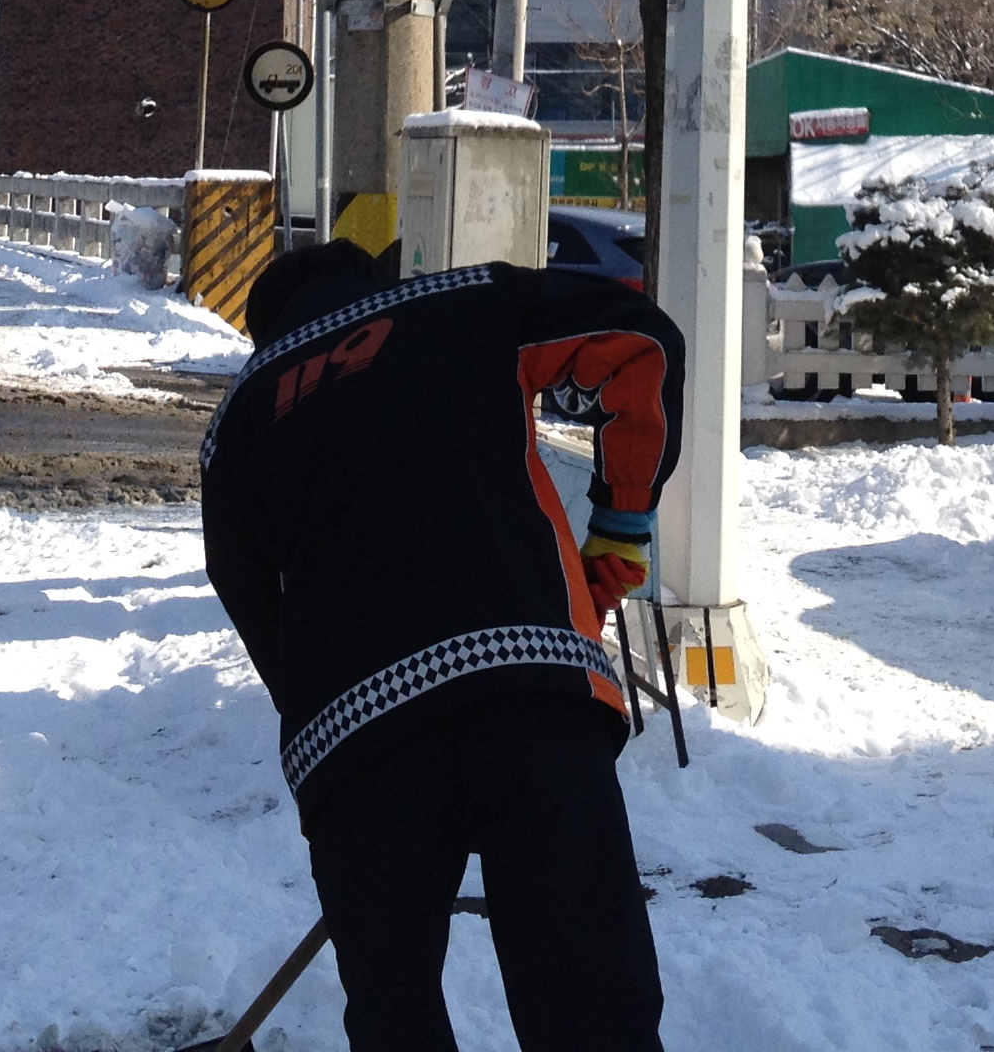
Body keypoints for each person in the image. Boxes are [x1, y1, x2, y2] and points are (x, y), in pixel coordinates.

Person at [201, 239, 685, 1052]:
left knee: (396, 1019)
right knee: (594, 1009)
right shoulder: (467, 301)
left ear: (266, 331)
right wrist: (622, 521)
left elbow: (248, 595)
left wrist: (330, 712)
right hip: (530, 697)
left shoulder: (236, 420)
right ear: (373, 282)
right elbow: (638, 342)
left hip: (357, 745)